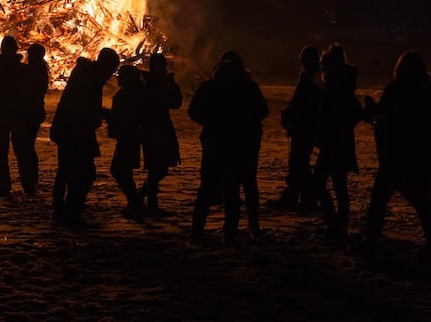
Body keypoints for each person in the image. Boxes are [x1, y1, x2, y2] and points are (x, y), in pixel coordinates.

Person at [360, 52, 431, 262]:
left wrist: (372, 110)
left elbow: (380, 115)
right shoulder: (429, 92)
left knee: (380, 200)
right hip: (419, 156)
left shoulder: (397, 90)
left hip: (396, 154)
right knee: (421, 202)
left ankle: (370, 243)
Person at [188, 50, 269, 245]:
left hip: (216, 144)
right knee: (233, 190)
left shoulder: (210, 87)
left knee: (207, 189)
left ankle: (197, 232)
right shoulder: (248, 88)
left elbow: (194, 111)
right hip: (241, 146)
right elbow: (262, 112)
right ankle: (231, 233)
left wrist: (211, 123)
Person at [49, 47, 120, 229]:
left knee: (67, 171)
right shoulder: (89, 77)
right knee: (84, 173)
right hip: (74, 131)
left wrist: (101, 114)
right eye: (111, 69)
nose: (110, 74)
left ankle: (62, 210)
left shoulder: (87, 74)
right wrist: (103, 115)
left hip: (70, 129)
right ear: (104, 64)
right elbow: (80, 106)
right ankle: (69, 212)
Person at [311, 43, 363, 244]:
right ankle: (337, 225)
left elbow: (351, 114)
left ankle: (336, 225)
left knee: (322, 183)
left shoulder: (336, 89)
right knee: (338, 185)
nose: (321, 69)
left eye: (324, 65)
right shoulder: (341, 87)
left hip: (334, 143)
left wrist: (335, 126)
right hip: (339, 142)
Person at [271, 45, 324, 210]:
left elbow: (302, 102)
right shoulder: (315, 77)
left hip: (305, 126)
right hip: (304, 125)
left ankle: (305, 197)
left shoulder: (312, 78)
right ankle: (297, 196)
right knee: (299, 162)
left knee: (299, 163)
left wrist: (288, 113)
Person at [0, 35, 30, 196]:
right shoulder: (22, 68)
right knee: (20, 149)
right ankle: (27, 184)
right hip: (18, 112)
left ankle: (4, 185)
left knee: (1, 152)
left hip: (1, 112)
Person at [139, 53, 182, 216]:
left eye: (163, 65)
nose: (162, 68)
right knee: (157, 167)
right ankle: (147, 203)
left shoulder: (161, 82)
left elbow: (176, 103)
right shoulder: (149, 84)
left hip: (162, 126)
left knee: (160, 167)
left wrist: (172, 85)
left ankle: (144, 201)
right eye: (159, 65)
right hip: (153, 128)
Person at [107, 64, 147, 220]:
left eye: (121, 75)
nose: (118, 78)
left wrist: (107, 114)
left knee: (119, 170)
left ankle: (135, 203)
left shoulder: (127, 94)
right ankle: (135, 202)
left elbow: (124, 116)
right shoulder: (134, 92)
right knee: (123, 170)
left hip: (127, 136)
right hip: (129, 135)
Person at [16, 42, 49, 195]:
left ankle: (29, 178)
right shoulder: (40, 69)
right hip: (35, 111)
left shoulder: (35, 70)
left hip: (30, 112)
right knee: (28, 145)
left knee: (25, 145)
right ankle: (31, 177)